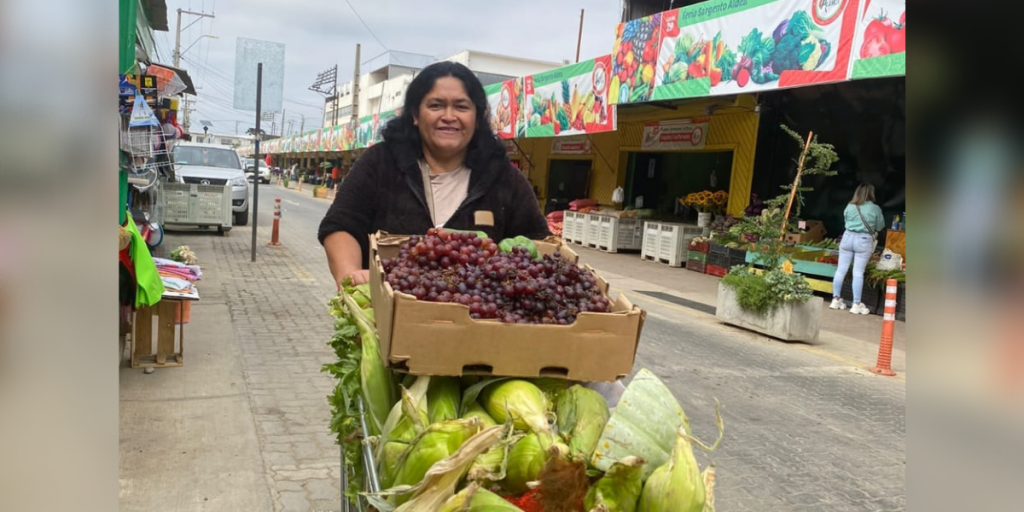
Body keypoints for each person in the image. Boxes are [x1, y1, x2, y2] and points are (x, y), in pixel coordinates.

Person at [318, 61, 550, 287]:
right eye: (436, 105)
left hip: (475, 321)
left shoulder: (503, 177)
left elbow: (537, 244)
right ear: (415, 115)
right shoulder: (380, 162)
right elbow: (341, 224)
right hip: (386, 316)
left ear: (477, 118)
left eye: (461, 106)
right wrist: (350, 276)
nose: (449, 116)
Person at [831, 183, 886, 314]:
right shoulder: (875, 208)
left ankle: (835, 299)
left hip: (847, 237)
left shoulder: (849, 206)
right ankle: (856, 304)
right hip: (863, 240)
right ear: (871, 193)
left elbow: (845, 221)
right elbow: (880, 226)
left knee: (840, 270)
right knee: (858, 272)